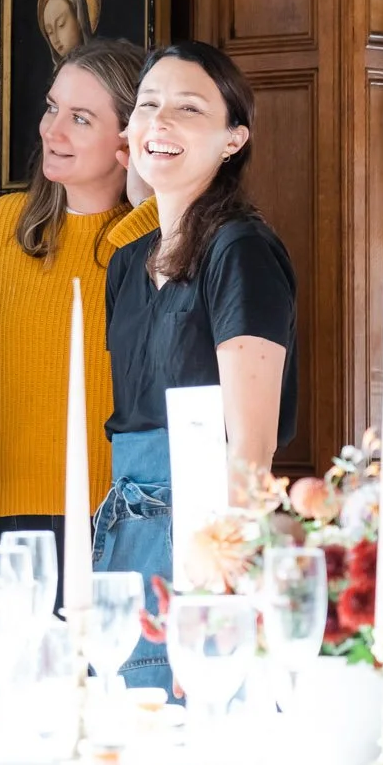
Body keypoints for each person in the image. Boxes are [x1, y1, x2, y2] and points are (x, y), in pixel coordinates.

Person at [97, 41, 298, 692]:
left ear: (233, 139)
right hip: (125, 530)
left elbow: (251, 450)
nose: (160, 121)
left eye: (188, 108)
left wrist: (217, 597)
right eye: (147, 105)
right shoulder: (126, 263)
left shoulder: (240, 250)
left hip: (203, 539)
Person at [0, 40, 158, 600]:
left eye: (80, 118)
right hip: (1, 521)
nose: (52, 130)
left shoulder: (160, 242)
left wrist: (146, 204)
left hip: (121, 519)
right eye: (52, 108)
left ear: (128, 139)